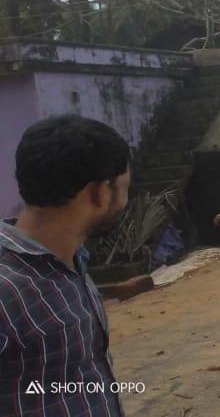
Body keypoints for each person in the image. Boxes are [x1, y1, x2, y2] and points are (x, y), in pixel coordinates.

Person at [0, 115, 130, 416]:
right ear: (99, 192)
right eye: (124, 189)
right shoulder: (6, 290)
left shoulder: (71, 261)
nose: (125, 201)